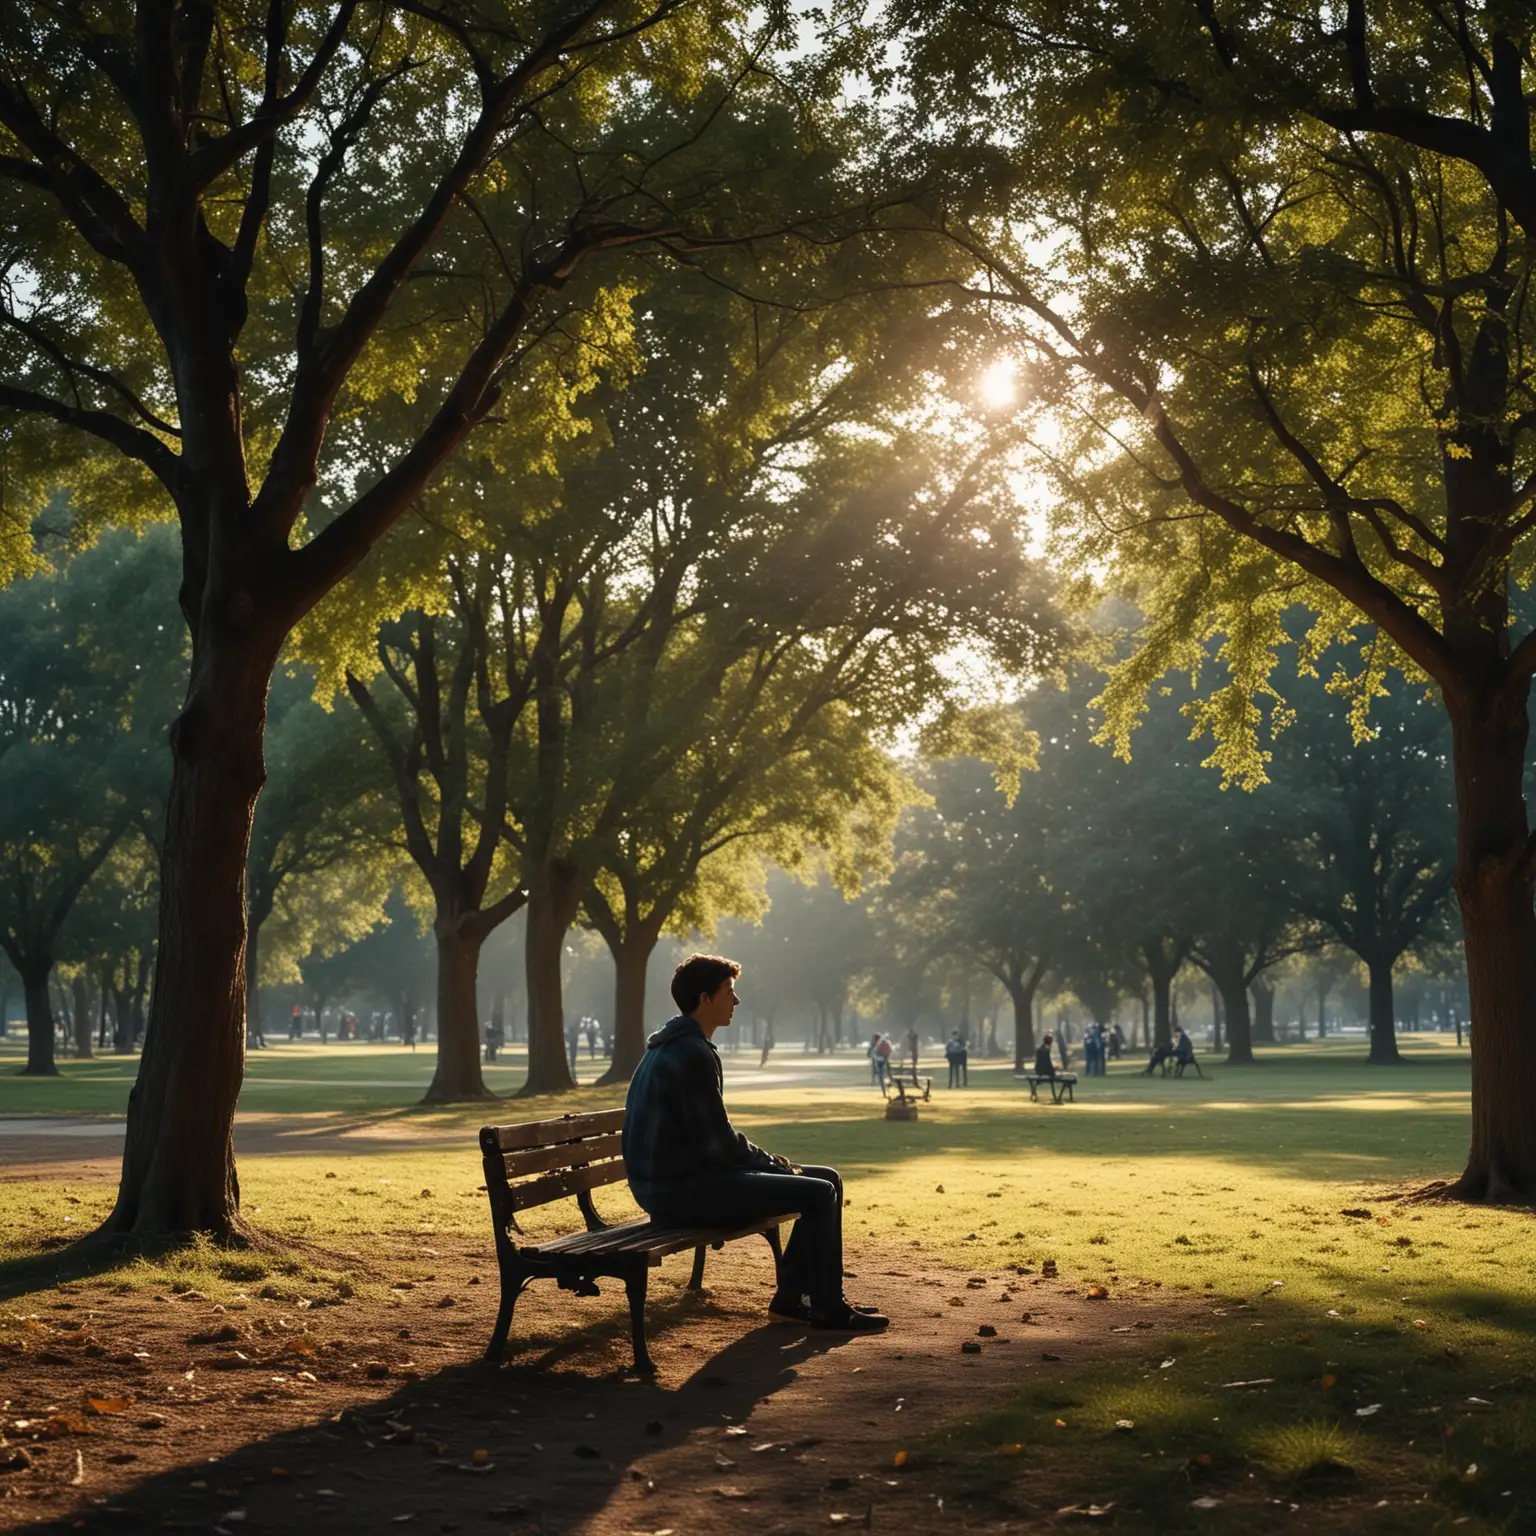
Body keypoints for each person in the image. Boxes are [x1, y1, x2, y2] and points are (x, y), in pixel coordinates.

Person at [623, 954, 888, 1333]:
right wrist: (773, 1164)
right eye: (729, 991)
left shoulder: (676, 1045)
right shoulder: (689, 1053)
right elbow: (720, 1145)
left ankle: (791, 1300)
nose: (737, 1000)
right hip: (681, 1193)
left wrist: (770, 1164)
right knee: (819, 1193)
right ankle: (828, 1307)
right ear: (705, 999)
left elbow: (712, 1142)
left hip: (678, 1182)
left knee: (827, 1178)